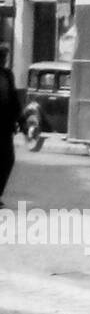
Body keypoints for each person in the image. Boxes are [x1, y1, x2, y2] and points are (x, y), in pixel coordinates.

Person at [0, 45, 20, 205]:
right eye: (2, 56)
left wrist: (18, 120)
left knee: (8, 159)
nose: (4, 60)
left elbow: (13, 98)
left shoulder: (8, 75)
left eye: (5, 57)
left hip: (5, 125)